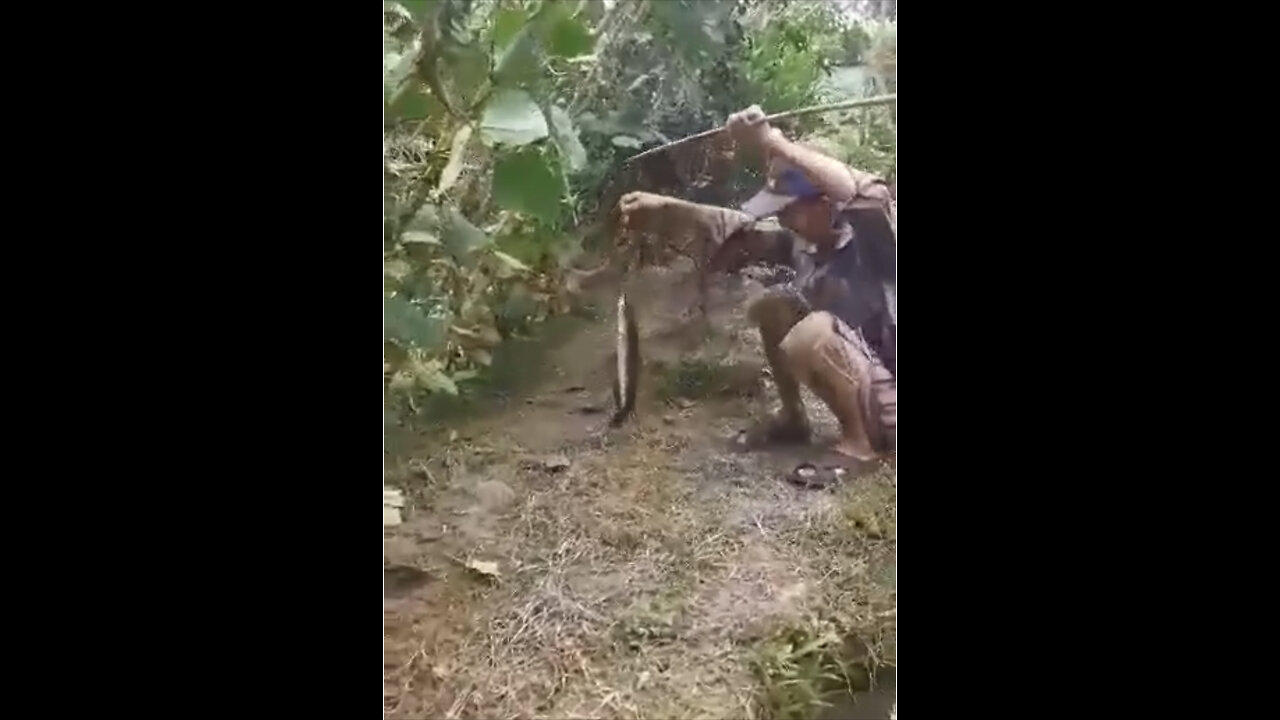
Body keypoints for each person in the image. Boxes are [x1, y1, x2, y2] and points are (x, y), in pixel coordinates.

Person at [617, 105, 896, 482]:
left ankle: (863, 448)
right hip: (874, 387)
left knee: (814, 330)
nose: (781, 220)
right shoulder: (802, 244)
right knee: (773, 306)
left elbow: (870, 194)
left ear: (826, 205)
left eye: (789, 210)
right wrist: (666, 209)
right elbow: (737, 227)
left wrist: (773, 141)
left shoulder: (877, 239)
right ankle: (793, 420)